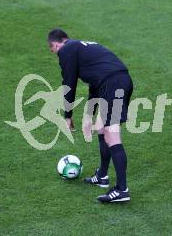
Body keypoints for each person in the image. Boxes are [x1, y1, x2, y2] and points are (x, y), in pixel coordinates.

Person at [47, 28, 133, 203]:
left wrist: (67, 115)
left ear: (55, 44)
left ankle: (122, 189)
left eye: (53, 50)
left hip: (113, 84)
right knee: (101, 128)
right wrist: (88, 115)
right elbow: (94, 82)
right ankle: (102, 176)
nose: (56, 54)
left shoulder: (66, 50)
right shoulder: (81, 47)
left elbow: (68, 83)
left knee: (111, 134)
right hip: (113, 82)